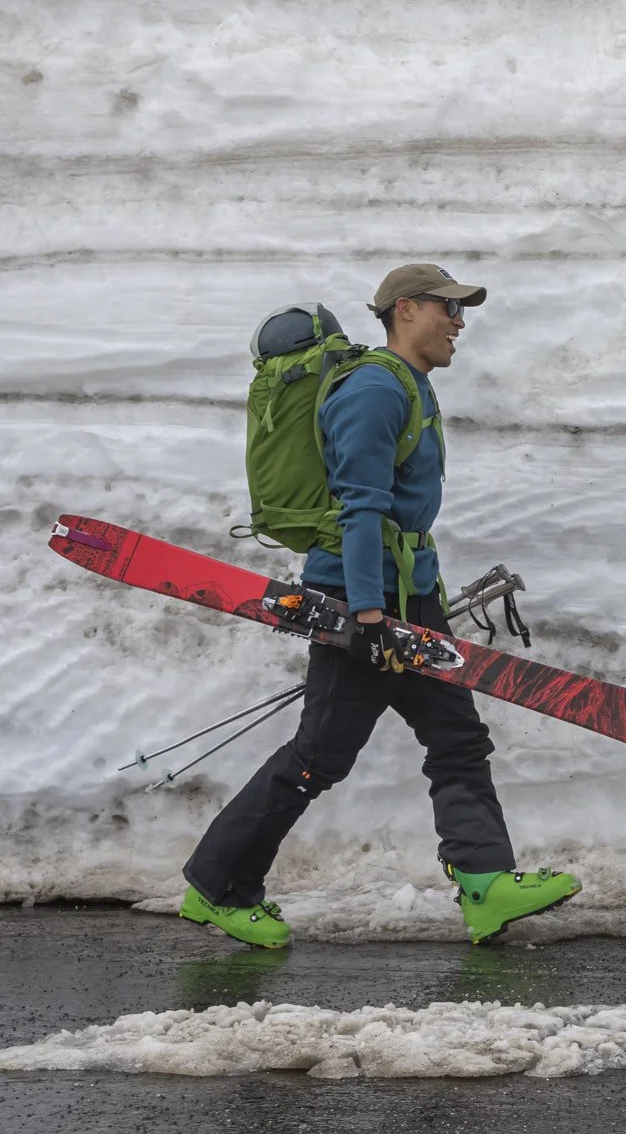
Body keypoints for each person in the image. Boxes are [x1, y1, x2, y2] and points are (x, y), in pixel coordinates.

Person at [179, 263, 581, 949]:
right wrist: (366, 618)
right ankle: (217, 888)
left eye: (461, 310)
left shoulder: (405, 384)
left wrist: (416, 597)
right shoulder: (372, 389)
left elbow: (398, 514)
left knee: (455, 737)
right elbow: (360, 507)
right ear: (405, 310)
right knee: (319, 757)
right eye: (447, 308)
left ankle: (485, 884)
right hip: (359, 598)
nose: (459, 321)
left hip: (401, 593)